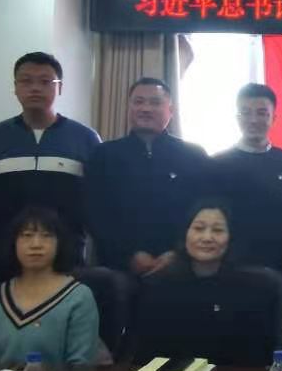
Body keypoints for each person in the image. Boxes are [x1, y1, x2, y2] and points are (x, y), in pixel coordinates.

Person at [126, 201, 282, 367]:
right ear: (185, 234)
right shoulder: (159, 286)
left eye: (218, 230)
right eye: (199, 228)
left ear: (231, 238)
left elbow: (256, 358)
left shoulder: (253, 290)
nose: (207, 238)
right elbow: (145, 356)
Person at [85, 77, 208, 277]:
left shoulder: (194, 155)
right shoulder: (104, 155)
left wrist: (178, 253)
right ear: (129, 107)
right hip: (117, 269)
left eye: (155, 102)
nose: (146, 108)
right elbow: (95, 212)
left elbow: (204, 210)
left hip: (182, 265)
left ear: (171, 110)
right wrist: (129, 255)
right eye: (138, 102)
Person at [0, 51, 101, 241]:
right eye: (26, 81)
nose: (35, 88)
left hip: (68, 248)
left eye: (45, 81)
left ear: (59, 87)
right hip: (5, 247)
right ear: (15, 87)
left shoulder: (86, 138)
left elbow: (97, 199)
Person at [0, 207, 100, 366]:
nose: (36, 244)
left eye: (46, 236)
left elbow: (80, 369)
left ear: (59, 243)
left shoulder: (79, 297)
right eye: (27, 235)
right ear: (14, 243)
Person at [204, 83, 282, 284]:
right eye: (246, 113)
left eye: (262, 113)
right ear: (237, 117)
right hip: (231, 268)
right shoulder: (216, 164)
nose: (253, 120)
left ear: (273, 118)